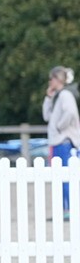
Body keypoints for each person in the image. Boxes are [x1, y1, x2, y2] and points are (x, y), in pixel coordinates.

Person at [43, 65, 80, 219]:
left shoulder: (65, 95)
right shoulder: (59, 96)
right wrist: (48, 98)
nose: (49, 81)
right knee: (59, 177)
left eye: (51, 78)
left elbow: (71, 112)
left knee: (64, 177)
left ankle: (69, 209)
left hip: (63, 141)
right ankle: (64, 209)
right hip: (57, 141)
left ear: (57, 79)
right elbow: (47, 116)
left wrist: (60, 126)